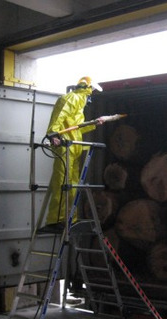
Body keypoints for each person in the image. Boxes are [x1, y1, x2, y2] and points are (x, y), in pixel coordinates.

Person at [38, 76, 105, 234]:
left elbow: (76, 129)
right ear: (87, 87)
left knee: (72, 184)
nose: (93, 94)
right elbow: (59, 115)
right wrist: (52, 133)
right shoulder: (72, 98)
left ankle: (70, 218)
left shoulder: (80, 103)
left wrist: (93, 124)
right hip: (64, 146)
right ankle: (56, 220)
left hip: (74, 146)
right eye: (92, 91)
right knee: (62, 182)